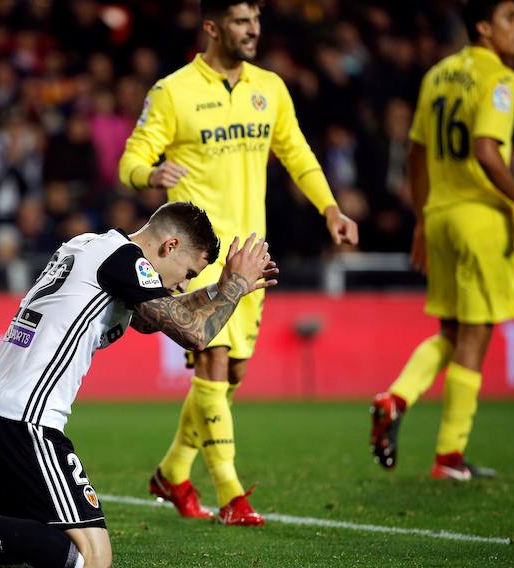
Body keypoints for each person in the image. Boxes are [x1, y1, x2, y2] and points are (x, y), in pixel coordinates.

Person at [0, 202, 279, 568]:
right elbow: (195, 334)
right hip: (27, 422)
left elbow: (153, 319)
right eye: (186, 271)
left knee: (32, 547)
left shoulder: (92, 246)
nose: (184, 284)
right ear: (169, 246)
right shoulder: (126, 260)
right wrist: (236, 287)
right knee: (92, 558)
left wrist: (223, 289)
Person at [117, 0, 358, 524]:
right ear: (212, 27)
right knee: (212, 358)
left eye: (256, 21)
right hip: (197, 258)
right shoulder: (173, 91)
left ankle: (172, 473)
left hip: (251, 255)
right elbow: (130, 158)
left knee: (229, 377)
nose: (253, 31)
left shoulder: (268, 88)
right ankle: (231, 495)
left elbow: (297, 152)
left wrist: (331, 208)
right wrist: (149, 175)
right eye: (241, 22)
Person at [370, 0, 514, 481]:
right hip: (479, 217)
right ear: (484, 28)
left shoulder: (437, 74)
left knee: (450, 332)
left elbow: (416, 154)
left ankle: (394, 398)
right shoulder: (500, 77)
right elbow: (486, 149)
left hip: (439, 215)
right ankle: (449, 456)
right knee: (476, 335)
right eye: (510, 17)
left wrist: (421, 221)